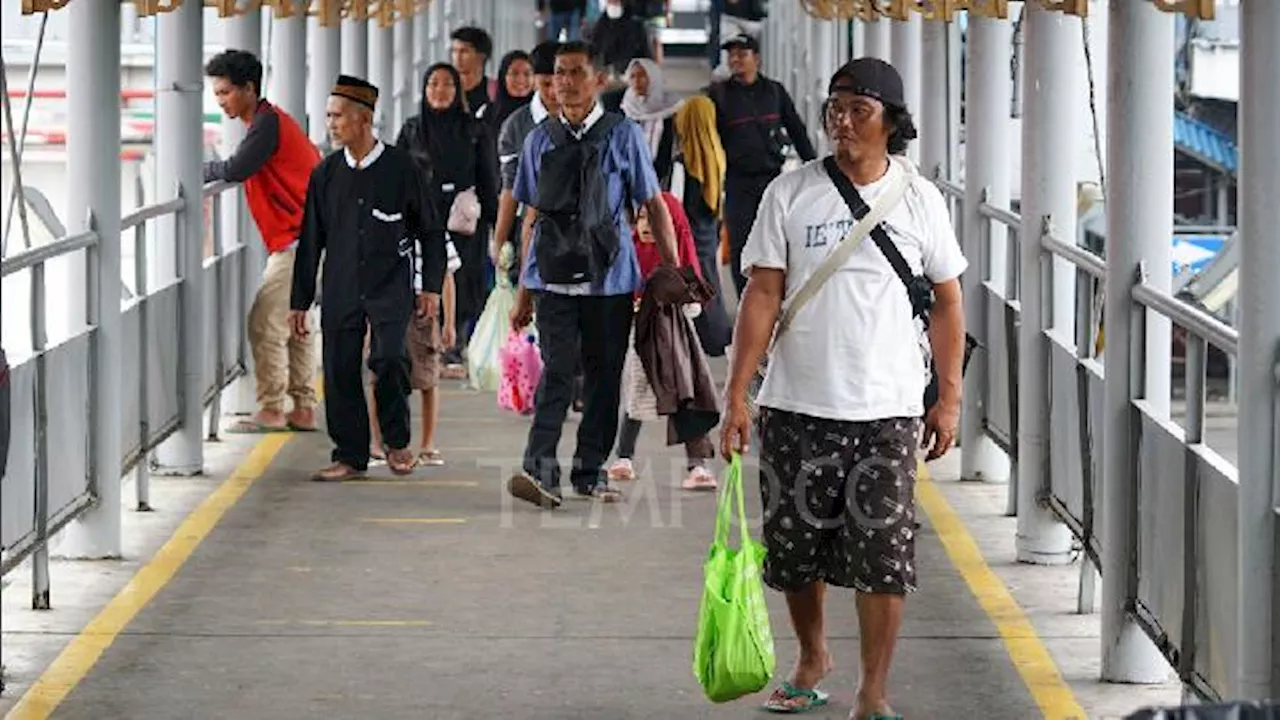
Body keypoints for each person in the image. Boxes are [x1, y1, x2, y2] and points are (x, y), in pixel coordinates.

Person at [719, 59, 967, 717]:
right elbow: (762, 293)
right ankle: (812, 655)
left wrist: (948, 397)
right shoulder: (790, 192)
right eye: (835, 108)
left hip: (886, 411)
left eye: (859, 109)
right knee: (795, 553)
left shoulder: (919, 198)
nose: (842, 121)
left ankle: (873, 691)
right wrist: (737, 394)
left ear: (892, 121)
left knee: (884, 558)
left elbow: (947, 302)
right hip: (796, 404)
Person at [505, 41, 679, 508]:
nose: (565, 82)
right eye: (560, 73)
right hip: (552, 279)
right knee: (558, 371)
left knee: (604, 377)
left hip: (611, 280)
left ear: (598, 80)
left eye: (576, 72)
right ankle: (538, 469)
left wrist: (672, 267)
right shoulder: (538, 139)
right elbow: (530, 217)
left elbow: (652, 204)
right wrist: (523, 290)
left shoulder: (623, 136)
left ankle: (589, 470)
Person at [290, 75, 447, 481]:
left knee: (391, 357)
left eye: (337, 116)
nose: (331, 123)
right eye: (328, 116)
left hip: (390, 285)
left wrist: (430, 286)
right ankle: (350, 454)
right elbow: (310, 241)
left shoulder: (401, 168)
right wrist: (300, 301)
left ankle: (396, 443)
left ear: (363, 119)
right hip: (341, 285)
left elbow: (429, 230)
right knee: (340, 369)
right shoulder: (325, 175)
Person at [203, 49, 322, 434]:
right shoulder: (271, 121)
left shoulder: (266, 125)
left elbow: (237, 168)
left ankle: (272, 408)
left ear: (249, 89)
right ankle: (302, 407)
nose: (220, 100)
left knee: (264, 322)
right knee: (296, 320)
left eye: (225, 92)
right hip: (308, 237)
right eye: (217, 93)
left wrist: (196, 168)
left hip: (296, 240)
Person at [396, 63, 500, 380]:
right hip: (422, 217)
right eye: (433, 84)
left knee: (465, 280)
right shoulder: (413, 129)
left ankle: (455, 344)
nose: (439, 91)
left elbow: (488, 177)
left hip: (462, 219)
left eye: (447, 85)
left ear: (458, 91)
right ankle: (427, 345)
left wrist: (497, 225)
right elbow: (396, 175)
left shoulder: (474, 129)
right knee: (424, 279)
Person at [606, 193, 717, 490]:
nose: (645, 226)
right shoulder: (630, 249)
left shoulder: (677, 253)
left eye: (653, 220)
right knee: (635, 393)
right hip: (640, 334)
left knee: (686, 394)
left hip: (675, 336)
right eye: (641, 218)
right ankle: (624, 457)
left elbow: (693, 291)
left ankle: (698, 465)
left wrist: (684, 299)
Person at [707, 33, 817, 296]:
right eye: (731, 55)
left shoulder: (775, 92)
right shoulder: (718, 95)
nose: (735, 60)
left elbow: (797, 131)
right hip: (737, 182)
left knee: (780, 241)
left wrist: (815, 171)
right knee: (741, 244)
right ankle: (747, 301)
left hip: (773, 180)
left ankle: (778, 301)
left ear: (756, 59)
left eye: (742, 54)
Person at [368, 240, 462, 466]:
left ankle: (427, 445)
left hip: (423, 308)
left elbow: (447, 276)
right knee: (378, 375)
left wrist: (449, 323)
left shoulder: (434, 233)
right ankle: (377, 444)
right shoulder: (384, 225)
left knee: (427, 377)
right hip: (386, 303)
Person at [493, 41, 561, 282]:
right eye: (545, 84)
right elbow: (510, 188)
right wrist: (499, 240)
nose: (553, 93)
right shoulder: (516, 126)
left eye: (558, 83)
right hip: (533, 228)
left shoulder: (584, 117)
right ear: (535, 81)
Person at [673, 95, 732, 356]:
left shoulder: (683, 163)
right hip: (709, 231)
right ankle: (718, 337)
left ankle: (703, 338)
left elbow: (674, 204)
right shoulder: (716, 157)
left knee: (693, 288)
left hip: (688, 236)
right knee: (711, 284)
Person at [619, 58, 682, 185]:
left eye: (642, 75)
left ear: (654, 78)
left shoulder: (672, 108)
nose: (637, 81)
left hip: (663, 176)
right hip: (630, 178)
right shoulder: (625, 109)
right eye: (632, 76)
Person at [589, 0, 652, 79]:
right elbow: (595, 50)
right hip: (608, 75)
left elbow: (645, 53)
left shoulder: (636, 26)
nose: (613, 4)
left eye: (615, 2)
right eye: (610, 2)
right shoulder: (601, 25)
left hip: (631, 74)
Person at [450, 27, 496, 127]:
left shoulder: (495, 91)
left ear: (481, 56)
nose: (457, 57)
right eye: (454, 51)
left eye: (464, 51)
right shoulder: (447, 91)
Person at [492, 50, 535, 128]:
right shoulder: (489, 113)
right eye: (514, 73)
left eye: (527, 74)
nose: (521, 80)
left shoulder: (543, 113)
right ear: (503, 77)